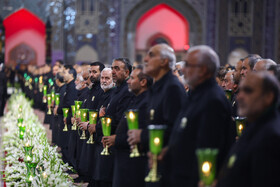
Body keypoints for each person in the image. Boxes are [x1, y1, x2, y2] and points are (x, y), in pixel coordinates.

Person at [165, 45, 234, 186]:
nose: (183, 70)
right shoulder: (196, 94)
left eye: (188, 65)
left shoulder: (213, 100)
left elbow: (208, 148)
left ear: (203, 70)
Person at [127, 44, 186, 186]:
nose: (145, 59)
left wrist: (142, 136)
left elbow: (174, 130)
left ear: (164, 62)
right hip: (153, 161)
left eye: (151, 55)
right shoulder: (157, 88)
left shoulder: (172, 88)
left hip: (167, 167)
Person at [217, 72, 280, 187]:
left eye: (248, 91)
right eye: (240, 90)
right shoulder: (254, 125)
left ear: (268, 97)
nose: (239, 96)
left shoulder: (271, 137)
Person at [91, 58, 133, 187]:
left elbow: (119, 117)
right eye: (113, 68)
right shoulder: (117, 89)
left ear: (127, 73)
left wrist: (101, 123)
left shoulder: (126, 91)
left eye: (117, 69)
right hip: (108, 138)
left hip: (115, 139)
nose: (113, 71)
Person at [109, 65, 153, 187]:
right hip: (124, 158)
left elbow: (139, 133)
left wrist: (117, 139)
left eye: (132, 78)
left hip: (133, 162)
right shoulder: (136, 99)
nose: (128, 80)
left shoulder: (146, 103)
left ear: (143, 82)